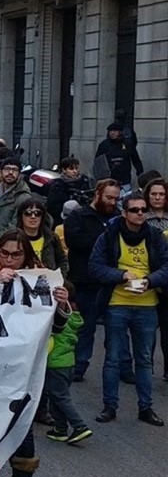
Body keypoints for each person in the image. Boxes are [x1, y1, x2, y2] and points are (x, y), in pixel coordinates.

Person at [0, 229, 69, 477]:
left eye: (17, 254)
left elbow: (57, 327)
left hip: (21, 372)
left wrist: (62, 303)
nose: (10, 259)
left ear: (26, 255)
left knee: (21, 427)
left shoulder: (42, 283)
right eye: (4, 253)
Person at [89, 191, 166, 427]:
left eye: (143, 210)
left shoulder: (155, 236)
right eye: (135, 210)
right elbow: (95, 266)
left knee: (145, 360)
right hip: (117, 304)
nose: (140, 214)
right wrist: (120, 275)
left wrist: (150, 281)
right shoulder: (110, 235)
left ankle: (146, 408)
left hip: (147, 305)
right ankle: (109, 406)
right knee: (112, 359)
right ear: (124, 213)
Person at [66, 179, 121, 382]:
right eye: (109, 197)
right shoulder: (79, 215)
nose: (112, 202)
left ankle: (120, 366)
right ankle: (80, 365)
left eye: (116, 198)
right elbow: (75, 242)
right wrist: (101, 241)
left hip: (111, 282)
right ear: (98, 194)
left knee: (116, 329)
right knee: (85, 327)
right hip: (84, 280)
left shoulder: (117, 218)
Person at [44, 281, 92, 445]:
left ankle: (79, 426)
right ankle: (60, 428)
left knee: (60, 397)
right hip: (68, 363)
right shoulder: (75, 317)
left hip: (55, 363)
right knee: (56, 395)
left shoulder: (58, 318)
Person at [94, 122, 143, 190]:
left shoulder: (127, 144)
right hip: (109, 180)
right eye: (110, 131)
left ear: (120, 132)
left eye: (115, 131)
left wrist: (140, 173)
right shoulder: (104, 145)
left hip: (124, 180)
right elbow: (97, 162)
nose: (112, 133)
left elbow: (136, 160)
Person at [46, 157, 93, 225]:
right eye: (71, 169)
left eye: (76, 168)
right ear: (64, 170)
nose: (75, 171)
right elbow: (53, 206)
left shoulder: (84, 181)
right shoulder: (58, 184)